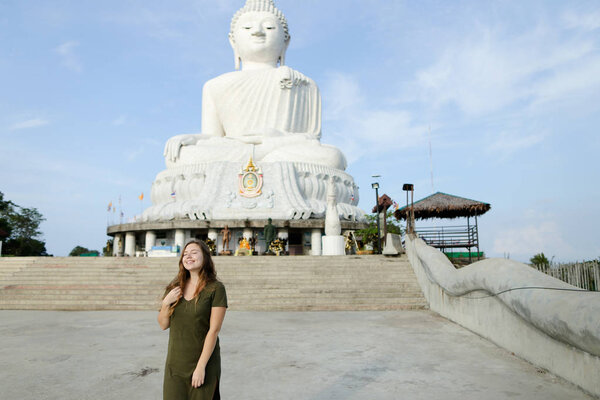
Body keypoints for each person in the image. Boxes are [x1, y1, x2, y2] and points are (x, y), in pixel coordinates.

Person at [163, 0, 346, 171]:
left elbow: (310, 139)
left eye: (269, 27)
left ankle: (258, 158)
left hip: (280, 149)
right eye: (248, 27)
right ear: (232, 41)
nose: (258, 31)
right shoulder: (214, 86)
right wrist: (192, 139)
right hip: (237, 150)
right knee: (179, 156)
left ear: (286, 42)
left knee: (332, 157)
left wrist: (277, 141)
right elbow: (214, 137)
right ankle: (260, 157)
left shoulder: (304, 84)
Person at [158, 240, 228, 400]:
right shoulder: (175, 287)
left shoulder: (216, 288)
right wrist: (165, 303)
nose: (188, 256)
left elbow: (214, 330)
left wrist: (201, 367)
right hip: (175, 364)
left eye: (194, 252)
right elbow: (163, 324)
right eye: (185, 254)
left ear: (205, 257)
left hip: (203, 362)